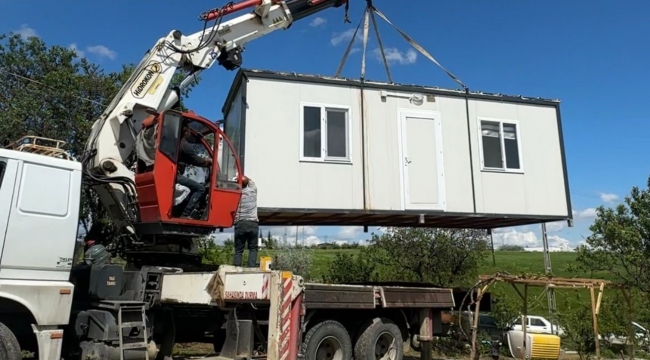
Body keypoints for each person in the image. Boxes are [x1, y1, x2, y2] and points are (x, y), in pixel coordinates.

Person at [177, 122, 212, 218]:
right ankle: (185, 214)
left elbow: (191, 160)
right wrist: (208, 161)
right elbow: (196, 160)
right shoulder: (184, 144)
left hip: (174, 174)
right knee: (200, 188)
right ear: (185, 132)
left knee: (191, 187)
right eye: (189, 131)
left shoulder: (177, 143)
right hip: (176, 176)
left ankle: (179, 211)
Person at [233, 175, 259, 267]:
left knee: (238, 250)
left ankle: (236, 267)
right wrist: (241, 176)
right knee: (253, 248)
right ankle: (251, 267)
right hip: (252, 223)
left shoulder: (236, 194)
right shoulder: (253, 191)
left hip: (240, 223)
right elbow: (251, 181)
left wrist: (235, 178)